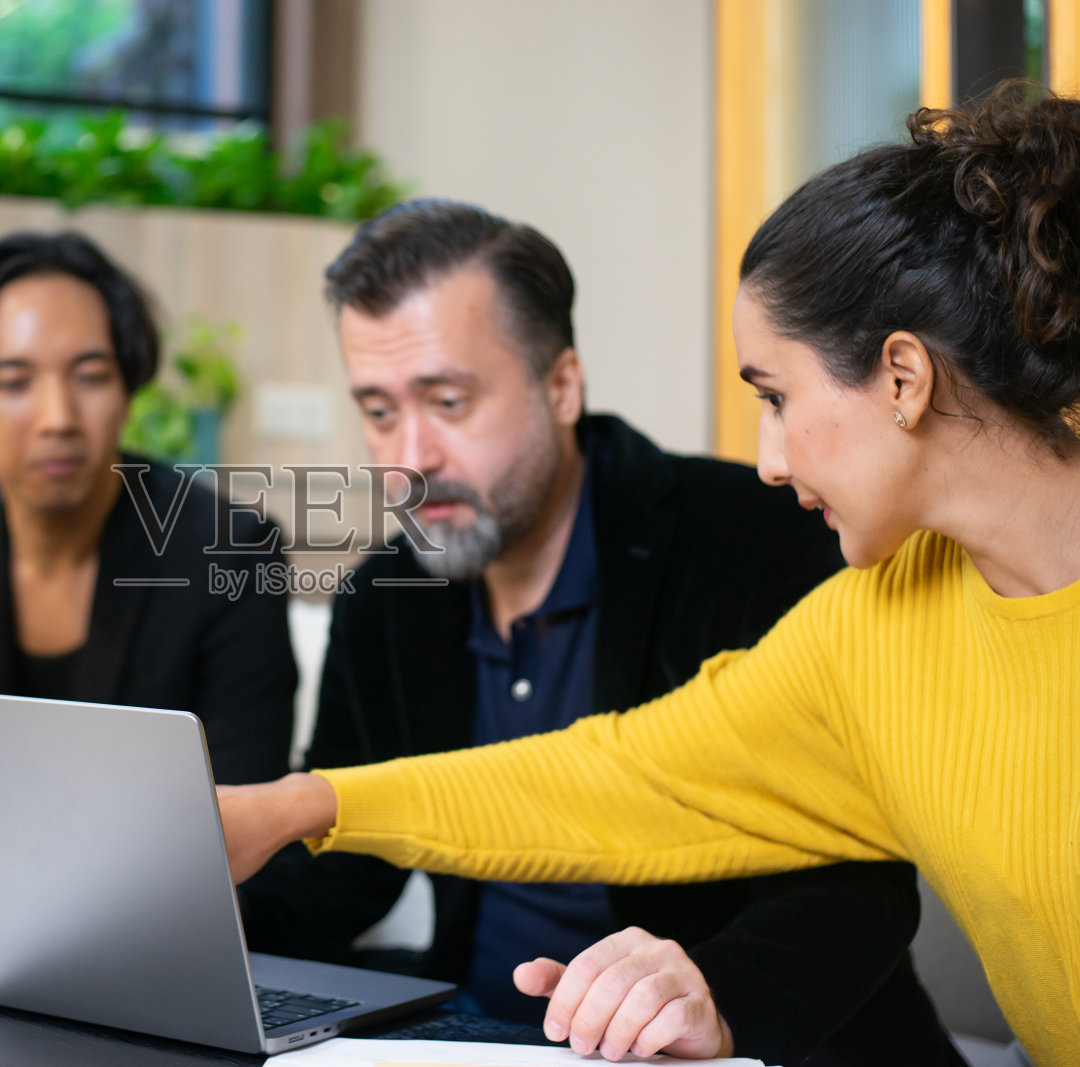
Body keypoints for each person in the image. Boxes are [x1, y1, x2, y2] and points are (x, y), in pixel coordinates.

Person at [219, 85, 1080, 1065]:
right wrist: (303, 803)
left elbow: (843, 897)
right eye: (379, 410)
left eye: (775, 397)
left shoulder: (794, 558)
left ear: (902, 378)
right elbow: (625, 773)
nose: (769, 460)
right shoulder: (872, 621)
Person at [0, 231, 294, 785]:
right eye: (15, 382)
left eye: (91, 377)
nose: (59, 418)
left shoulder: (231, 550)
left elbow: (248, 796)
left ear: (128, 392)